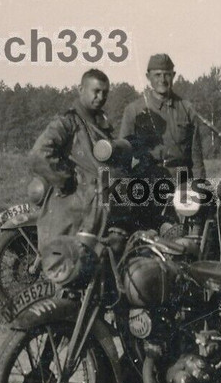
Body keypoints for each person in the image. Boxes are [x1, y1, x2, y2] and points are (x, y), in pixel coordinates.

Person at [29, 68, 115, 245]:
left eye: (105, 93)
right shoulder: (68, 122)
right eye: (96, 91)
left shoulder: (102, 123)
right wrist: (64, 180)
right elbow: (39, 153)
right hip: (74, 203)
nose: (100, 97)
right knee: (67, 257)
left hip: (98, 202)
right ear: (80, 89)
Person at [118, 53, 206, 181]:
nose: (162, 80)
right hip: (147, 180)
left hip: (181, 181)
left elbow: (196, 157)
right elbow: (123, 153)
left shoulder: (187, 109)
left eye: (167, 74)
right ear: (148, 77)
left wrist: (200, 187)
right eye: (157, 75)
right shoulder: (134, 110)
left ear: (173, 75)